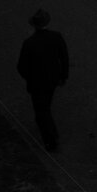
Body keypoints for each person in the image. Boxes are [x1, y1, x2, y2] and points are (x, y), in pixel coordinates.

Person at [16, 9, 69, 152]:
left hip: (36, 83)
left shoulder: (29, 43)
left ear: (34, 25)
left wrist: (30, 77)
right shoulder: (56, 37)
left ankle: (51, 140)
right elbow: (64, 58)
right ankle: (52, 133)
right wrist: (63, 76)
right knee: (45, 107)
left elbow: (21, 66)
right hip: (52, 80)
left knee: (41, 111)